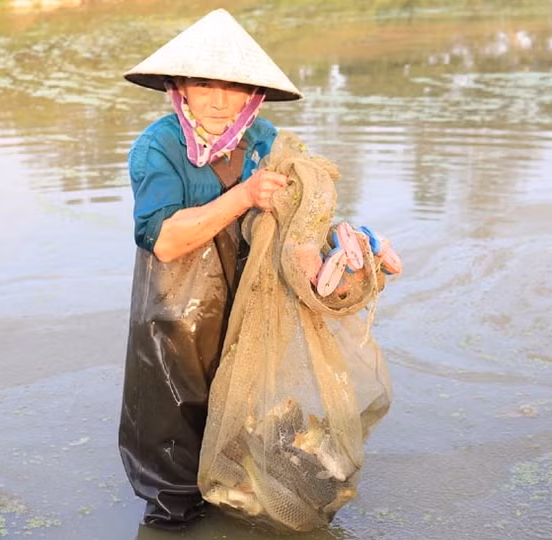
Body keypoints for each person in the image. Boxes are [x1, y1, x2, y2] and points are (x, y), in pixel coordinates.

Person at [118, 8, 401, 531]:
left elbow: (299, 218)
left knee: (252, 412)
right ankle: (176, 516)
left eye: (233, 87)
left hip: (251, 299)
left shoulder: (265, 140)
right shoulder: (158, 147)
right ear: (179, 88)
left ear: (253, 94)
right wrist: (245, 196)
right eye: (204, 84)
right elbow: (166, 241)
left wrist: (352, 250)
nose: (218, 100)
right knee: (175, 427)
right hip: (179, 311)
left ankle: (244, 498)